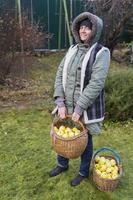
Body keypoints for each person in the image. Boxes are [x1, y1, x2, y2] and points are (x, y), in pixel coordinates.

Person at [49, 12, 110, 186]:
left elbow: (96, 83)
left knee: (85, 138)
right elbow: (60, 74)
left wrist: (79, 108)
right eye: (81, 27)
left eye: (87, 28)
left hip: (86, 107)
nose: (83, 31)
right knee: (62, 135)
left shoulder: (101, 53)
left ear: (95, 31)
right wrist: (60, 101)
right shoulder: (72, 49)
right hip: (66, 104)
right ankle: (62, 164)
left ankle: (83, 171)